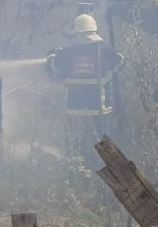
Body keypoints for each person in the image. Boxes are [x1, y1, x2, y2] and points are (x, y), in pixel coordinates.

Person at [46, 13, 124, 158]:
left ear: (76, 33)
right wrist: (108, 73)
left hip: (75, 108)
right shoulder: (105, 50)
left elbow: (53, 69)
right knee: (101, 142)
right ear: (94, 31)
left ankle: (76, 163)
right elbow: (120, 62)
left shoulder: (67, 53)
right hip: (99, 107)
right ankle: (103, 164)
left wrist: (52, 55)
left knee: (75, 143)